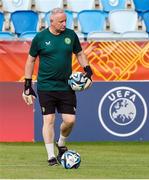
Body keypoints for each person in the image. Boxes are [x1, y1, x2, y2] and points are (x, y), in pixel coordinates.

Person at [22, 8, 93, 166]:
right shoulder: (40, 38)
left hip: (66, 86)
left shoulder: (70, 35)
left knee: (70, 121)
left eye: (65, 21)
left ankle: (61, 144)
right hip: (46, 86)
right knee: (49, 119)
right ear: (51, 22)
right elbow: (30, 61)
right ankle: (51, 156)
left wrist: (88, 69)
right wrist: (27, 84)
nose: (64, 24)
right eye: (61, 21)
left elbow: (79, 54)